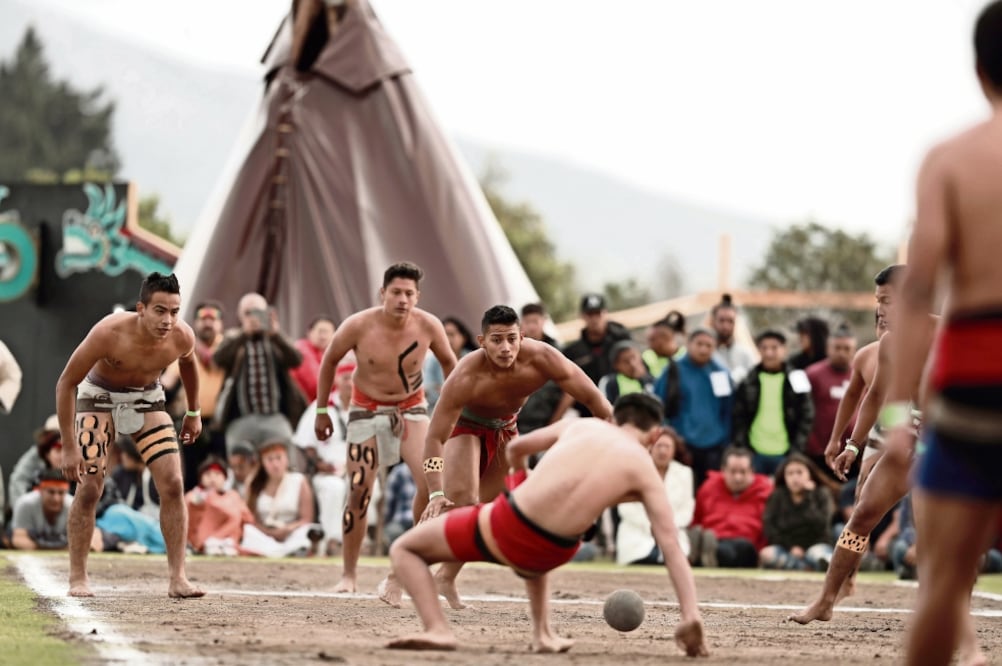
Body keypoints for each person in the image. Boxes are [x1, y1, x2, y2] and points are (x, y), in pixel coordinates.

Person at [386, 393, 708, 656]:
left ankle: (437, 629)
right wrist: (690, 616)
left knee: (405, 549)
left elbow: (515, 447)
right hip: (557, 550)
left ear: (612, 419)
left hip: (506, 528)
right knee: (538, 544)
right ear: (654, 435)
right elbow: (672, 548)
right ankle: (543, 634)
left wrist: (518, 478)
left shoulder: (583, 427)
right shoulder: (647, 473)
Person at [882, 6, 1002, 662]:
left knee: (945, 581)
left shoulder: (952, 159)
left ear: (980, 69)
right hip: (975, 368)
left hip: (975, 375)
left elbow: (917, 289)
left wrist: (899, 413)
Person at [418, 305, 613, 609]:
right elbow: (434, 436)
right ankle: (401, 571)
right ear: (482, 341)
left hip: (507, 431)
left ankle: (445, 576)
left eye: (511, 338)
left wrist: (620, 439)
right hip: (465, 427)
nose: (505, 348)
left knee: (496, 509)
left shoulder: (543, 358)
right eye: (497, 340)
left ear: (522, 336)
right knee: (463, 503)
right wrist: (435, 491)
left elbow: (593, 398)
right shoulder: (465, 375)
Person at [55, 271, 204, 598]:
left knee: (174, 483)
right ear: (141, 308)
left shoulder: (182, 336)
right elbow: (66, 383)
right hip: (98, 397)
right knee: (90, 485)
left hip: (147, 398)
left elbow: (190, 364)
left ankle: (178, 578)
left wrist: (193, 413)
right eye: (160, 311)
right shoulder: (108, 332)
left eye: (175, 312)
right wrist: (68, 446)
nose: (168, 320)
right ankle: (78, 577)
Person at [313, 261, 457, 593]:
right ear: (383, 293)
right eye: (396, 292)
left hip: (412, 410)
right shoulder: (358, 325)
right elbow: (330, 360)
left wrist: (454, 409)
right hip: (365, 410)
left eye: (409, 293)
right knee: (359, 489)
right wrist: (322, 410)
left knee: (432, 483)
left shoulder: (429, 326)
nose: (402, 299)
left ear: (417, 297)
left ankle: (411, 562)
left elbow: (452, 364)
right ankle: (348, 574)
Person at [213, 292, 306, 458]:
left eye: (257, 312)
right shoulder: (233, 337)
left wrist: (276, 335)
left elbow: (296, 360)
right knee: (240, 465)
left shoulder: (274, 339)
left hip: (275, 417)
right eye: (248, 313)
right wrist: (244, 334)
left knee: (283, 465)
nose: (253, 317)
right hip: (240, 420)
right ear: (240, 315)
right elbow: (218, 359)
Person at [161, 300, 227, 491]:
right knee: (189, 476)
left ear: (221, 324)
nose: (208, 323)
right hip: (190, 422)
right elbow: (169, 380)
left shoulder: (229, 349)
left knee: (219, 475)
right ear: (195, 323)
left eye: (213, 319)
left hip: (219, 425)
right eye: (203, 319)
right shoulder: (184, 350)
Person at [657, 328, 734, 489]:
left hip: (714, 445)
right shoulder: (673, 371)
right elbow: (658, 405)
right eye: (699, 344)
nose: (703, 349)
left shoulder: (720, 373)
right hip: (682, 445)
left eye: (709, 345)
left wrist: (726, 441)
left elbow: (729, 409)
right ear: (689, 344)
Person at [731, 330, 815, 476]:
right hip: (754, 451)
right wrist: (743, 446)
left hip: (785, 452)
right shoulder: (748, 380)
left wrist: (796, 449)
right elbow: (739, 415)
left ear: (784, 350)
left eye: (774, 348)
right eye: (764, 348)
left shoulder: (797, 378)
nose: (769, 353)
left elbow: (807, 415)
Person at [616, 425, 695, 565]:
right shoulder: (634, 469)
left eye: (667, 446)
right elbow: (626, 508)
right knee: (647, 557)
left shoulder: (685, 473)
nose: (663, 451)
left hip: (672, 532)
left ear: (674, 450)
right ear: (650, 447)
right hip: (637, 532)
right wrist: (652, 527)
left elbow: (687, 509)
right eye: (659, 446)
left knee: (671, 558)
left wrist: (666, 527)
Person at [690, 447, 772, 568]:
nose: (737, 477)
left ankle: (705, 556)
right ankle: (705, 554)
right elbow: (697, 518)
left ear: (752, 471)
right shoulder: (708, 487)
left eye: (743, 472)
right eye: (733, 472)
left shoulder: (765, 491)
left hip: (748, 546)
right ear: (723, 470)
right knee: (718, 546)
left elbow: (771, 527)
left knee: (741, 547)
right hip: (715, 537)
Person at [553, 293, 631, 419]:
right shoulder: (573, 351)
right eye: (590, 314)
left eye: (598, 313)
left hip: (622, 409)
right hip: (589, 415)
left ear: (605, 313)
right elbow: (568, 390)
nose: (594, 319)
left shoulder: (621, 343)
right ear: (583, 316)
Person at [239, 439, 320, 558]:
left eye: (279, 458)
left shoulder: (299, 480)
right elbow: (250, 518)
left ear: (286, 459)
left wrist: (286, 530)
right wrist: (269, 532)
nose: (275, 464)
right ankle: (282, 551)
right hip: (264, 533)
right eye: (270, 460)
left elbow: (306, 519)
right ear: (263, 463)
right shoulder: (254, 484)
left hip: (291, 531)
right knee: (248, 530)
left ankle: (282, 550)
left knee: (307, 530)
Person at [758, 453, 834, 571]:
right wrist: (791, 547)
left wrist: (809, 498)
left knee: (822, 556)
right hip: (786, 549)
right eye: (790, 473)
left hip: (816, 545)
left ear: (810, 474)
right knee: (767, 554)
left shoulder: (821, 494)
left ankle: (815, 565)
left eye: (799, 472)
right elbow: (770, 527)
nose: (795, 477)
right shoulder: (777, 495)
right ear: (784, 476)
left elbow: (822, 525)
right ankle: (803, 568)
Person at [805, 325, 857, 478]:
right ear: (828, 348)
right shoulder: (812, 374)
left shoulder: (861, 375)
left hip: (852, 451)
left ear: (854, 350)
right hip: (818, 451)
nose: (841, 353)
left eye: (847, 348)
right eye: (837, 348)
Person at [185, 456, 253, 556]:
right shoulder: (194, 496)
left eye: (217, 474)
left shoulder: (233, 496)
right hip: (202, 541)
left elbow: (247, 518)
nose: (212, 479)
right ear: (201, 478)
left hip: (229, 540)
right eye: (208, 474)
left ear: (225, 478)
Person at [10, 469, 78, 551]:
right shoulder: (25, 504)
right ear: (41, 491)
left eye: (61, 493)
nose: (56, 499)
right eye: (51, 492)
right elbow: (18, 539)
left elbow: (83, 542)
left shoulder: (74, 507)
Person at [8, 414, 64, 510]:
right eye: (53, 436)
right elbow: (18, 481)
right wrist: (22, 511)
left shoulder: (78, 456)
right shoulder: (35, 455)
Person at [423, 316, 477, 410]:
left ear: (463, 337)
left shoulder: (472, 358)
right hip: (437, 408)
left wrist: (444, 390)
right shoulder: (433, 359)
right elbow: (429, 388)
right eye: (444, 335)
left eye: (451, 334)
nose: (448, 339)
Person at [291, 315, 337, 404]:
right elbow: (316, 386)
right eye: (320, 331)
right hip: (304, 408)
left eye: (327, 332)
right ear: (309, 332)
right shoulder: (302, 349)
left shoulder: (325, 353)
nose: (323, 336)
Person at [710, 294, 756, 384]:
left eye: (730, 321)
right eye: (721, 320)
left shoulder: (745, 354)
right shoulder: (705, 353)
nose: (725, 326)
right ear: (713, 321)